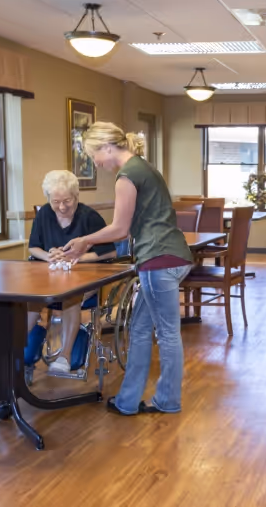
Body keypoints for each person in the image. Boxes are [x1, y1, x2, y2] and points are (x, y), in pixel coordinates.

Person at [63, 121, 193, 416]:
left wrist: (84, 240)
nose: (95, 163)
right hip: (170, 257)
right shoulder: (143, 168)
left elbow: (120, 229)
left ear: (107, 148)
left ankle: (168, 401)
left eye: (93, 155)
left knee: (168, 334)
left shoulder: (127, 175)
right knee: (140, 328)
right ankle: (128, 401)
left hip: (158, 260)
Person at [0, 171, 115, 375]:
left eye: (67, 201)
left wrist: (76, 258)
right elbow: (34, 247)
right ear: (48, 199)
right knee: (32, 300)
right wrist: (49, 256)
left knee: (71, 296)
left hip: (85, 277)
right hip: (52, 275)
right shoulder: (44, 213)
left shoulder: (90, 217)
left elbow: (109, 251)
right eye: (56, 202)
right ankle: (6, 348)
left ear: (76, 196)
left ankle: (65, 356)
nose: (62, 207)